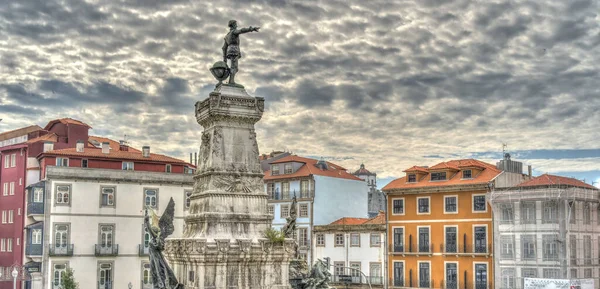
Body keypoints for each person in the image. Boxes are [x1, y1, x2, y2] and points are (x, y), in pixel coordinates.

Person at [222, 20, 260, 85]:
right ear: (233, 25)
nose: (237, 26)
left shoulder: (227, 36)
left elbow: (224, 48)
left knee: (233, 66)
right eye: (236, 24)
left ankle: (231, 80)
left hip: (230, 50)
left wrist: (224, 58)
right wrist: (251, 29)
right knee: (235, 67)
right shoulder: (234, 32)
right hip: (234, 50)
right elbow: (241, 30)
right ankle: (231, 81)